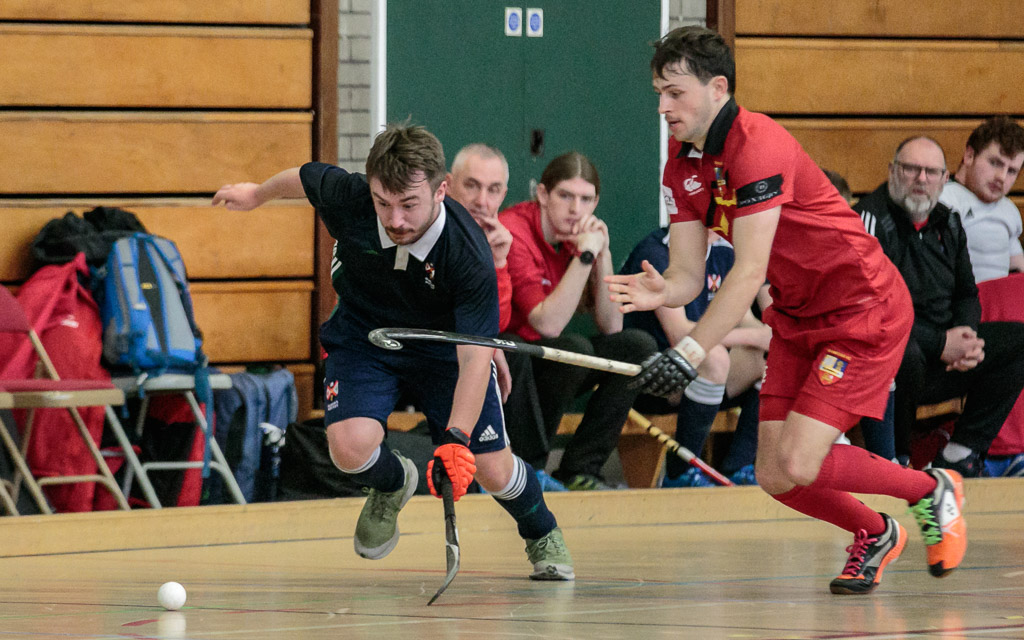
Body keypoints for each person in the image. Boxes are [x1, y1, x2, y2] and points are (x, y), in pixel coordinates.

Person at [606, 26, 965, 595]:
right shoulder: (682, 164)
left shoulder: (758, 145)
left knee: (799, 460)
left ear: (718, 87)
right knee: (776, 476)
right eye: (658, 92)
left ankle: (928, 489)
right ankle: (875, 532)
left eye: (674, 93)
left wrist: (692, 350)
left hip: (861, 311)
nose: (662, 107)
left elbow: (748, 272)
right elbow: (688, 273)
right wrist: (664, 293)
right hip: (798, 319)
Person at [212, 123, 573, 581]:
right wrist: (257, 194)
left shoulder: (468, 253)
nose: (396, 219)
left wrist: (457, 440)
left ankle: (541, 531)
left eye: (409, 204)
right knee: (348, 448)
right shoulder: (350, 197)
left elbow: (474, 358)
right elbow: (302, 176)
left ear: (441, 190)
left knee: (491, 468)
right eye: (384, 203)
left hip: (444, 351)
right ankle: (392, 482)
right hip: (366, 338)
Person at [854, 136, 1024, 477]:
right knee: (906, 352)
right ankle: (897, 458)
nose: (922, 179)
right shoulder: (869, 220)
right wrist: (940, 343)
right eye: (912, 169)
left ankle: (959, 454)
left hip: (944, 358)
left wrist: (966, 337)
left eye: (931, 172)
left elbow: (966, 293)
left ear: (945, 179)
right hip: (888, 359)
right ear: (892, 172)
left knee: (1019, 342)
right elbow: (869, 311)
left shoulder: (949, 221)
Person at [501, 151, 658, 491]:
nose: (576, 209)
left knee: (635, 347)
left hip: (548, 357)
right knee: (570, 350)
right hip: (509, 361)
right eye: (565, 196)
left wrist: (603, 255)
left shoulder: (581, 236)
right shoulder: (515, 231)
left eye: (586, 199)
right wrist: (585, 255)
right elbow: (547, 325)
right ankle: (529, 469)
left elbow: (612, 325)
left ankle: (580, 470)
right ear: (543, 195)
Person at [621, 226, 770, 486]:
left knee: (779, 358)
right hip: (656, 380)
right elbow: (681, 335)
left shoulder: (725, 249)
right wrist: (756, 337)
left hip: (703, 381)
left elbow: (742, 318)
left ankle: (740, 466)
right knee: (714, 358)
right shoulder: (656, 252)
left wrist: (771, 337)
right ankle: (679, 473)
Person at [939, 116, 1024, 283]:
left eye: (1012, 171)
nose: (1002, 177)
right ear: (969, 155)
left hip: (1000, 305)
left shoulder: (1009, 210)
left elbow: (1019, 271)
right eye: (995, 163)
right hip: (959, 303)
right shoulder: (945, 199)